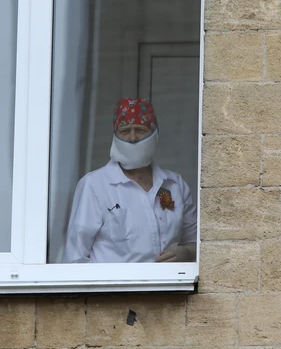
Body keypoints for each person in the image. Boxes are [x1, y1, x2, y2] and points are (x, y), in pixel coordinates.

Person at [62, 97, 197, 263]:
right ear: (115, 135)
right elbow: (75, 258)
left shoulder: (175, 185)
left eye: (140, 130)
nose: (132, 138)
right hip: (115, 288)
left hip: (171, 286)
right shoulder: (95, 185)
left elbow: (198, 242)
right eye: (125, 131)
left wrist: (187, 253)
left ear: (155, 133)